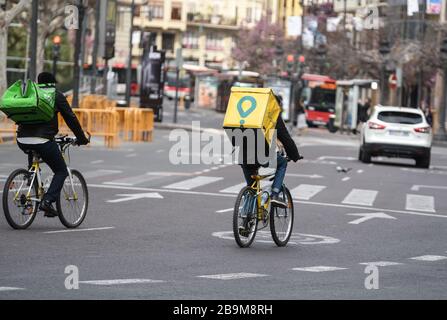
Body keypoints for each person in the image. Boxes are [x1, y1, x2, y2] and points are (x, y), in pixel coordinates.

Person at [16, 72, 89, 218]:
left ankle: (31, 181)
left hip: (22, 139)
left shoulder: (32, 94)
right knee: (61, 171)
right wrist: (82, 138)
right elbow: (70, 118)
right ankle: (47, 201)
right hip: (43, 140)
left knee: (34, 157)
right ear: (53, 83)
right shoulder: (55, 95)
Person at [240, 95, 302, 208]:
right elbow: (285, 138)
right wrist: (295, 155)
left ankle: (245, 220)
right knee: (282, 163)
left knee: (252, 188)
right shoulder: (272, 115)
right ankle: (275, 195)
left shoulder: (251, 114)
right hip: (263, 155)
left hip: (243, 156)